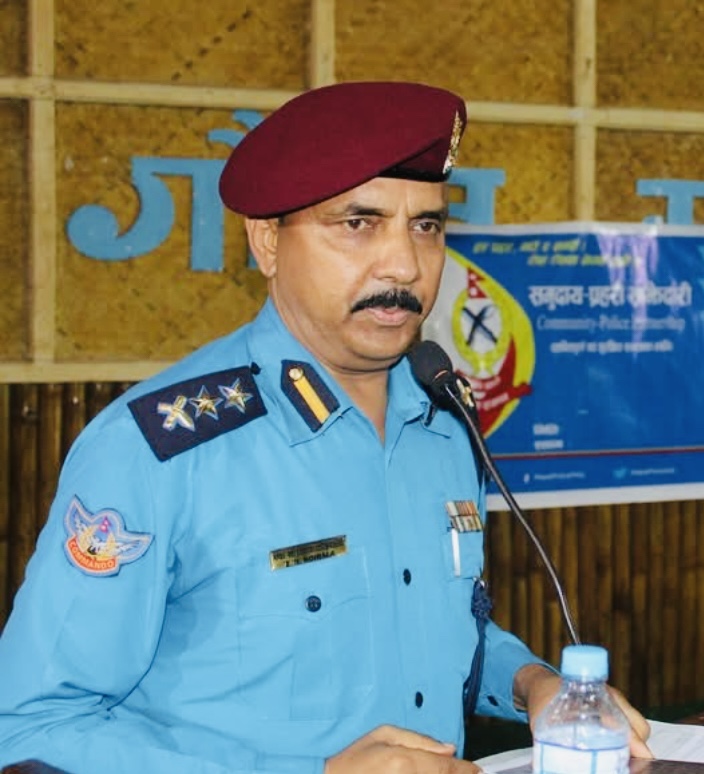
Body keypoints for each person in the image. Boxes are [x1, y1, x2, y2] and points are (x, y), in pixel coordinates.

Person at [0, 81, 651, 774]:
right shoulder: (159, 450)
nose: (404, 265)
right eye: (358, 223)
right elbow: (31, 727)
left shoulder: (442, 422)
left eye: (426, 226)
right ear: (267, 242)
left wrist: (534, 686)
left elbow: (431, 622)